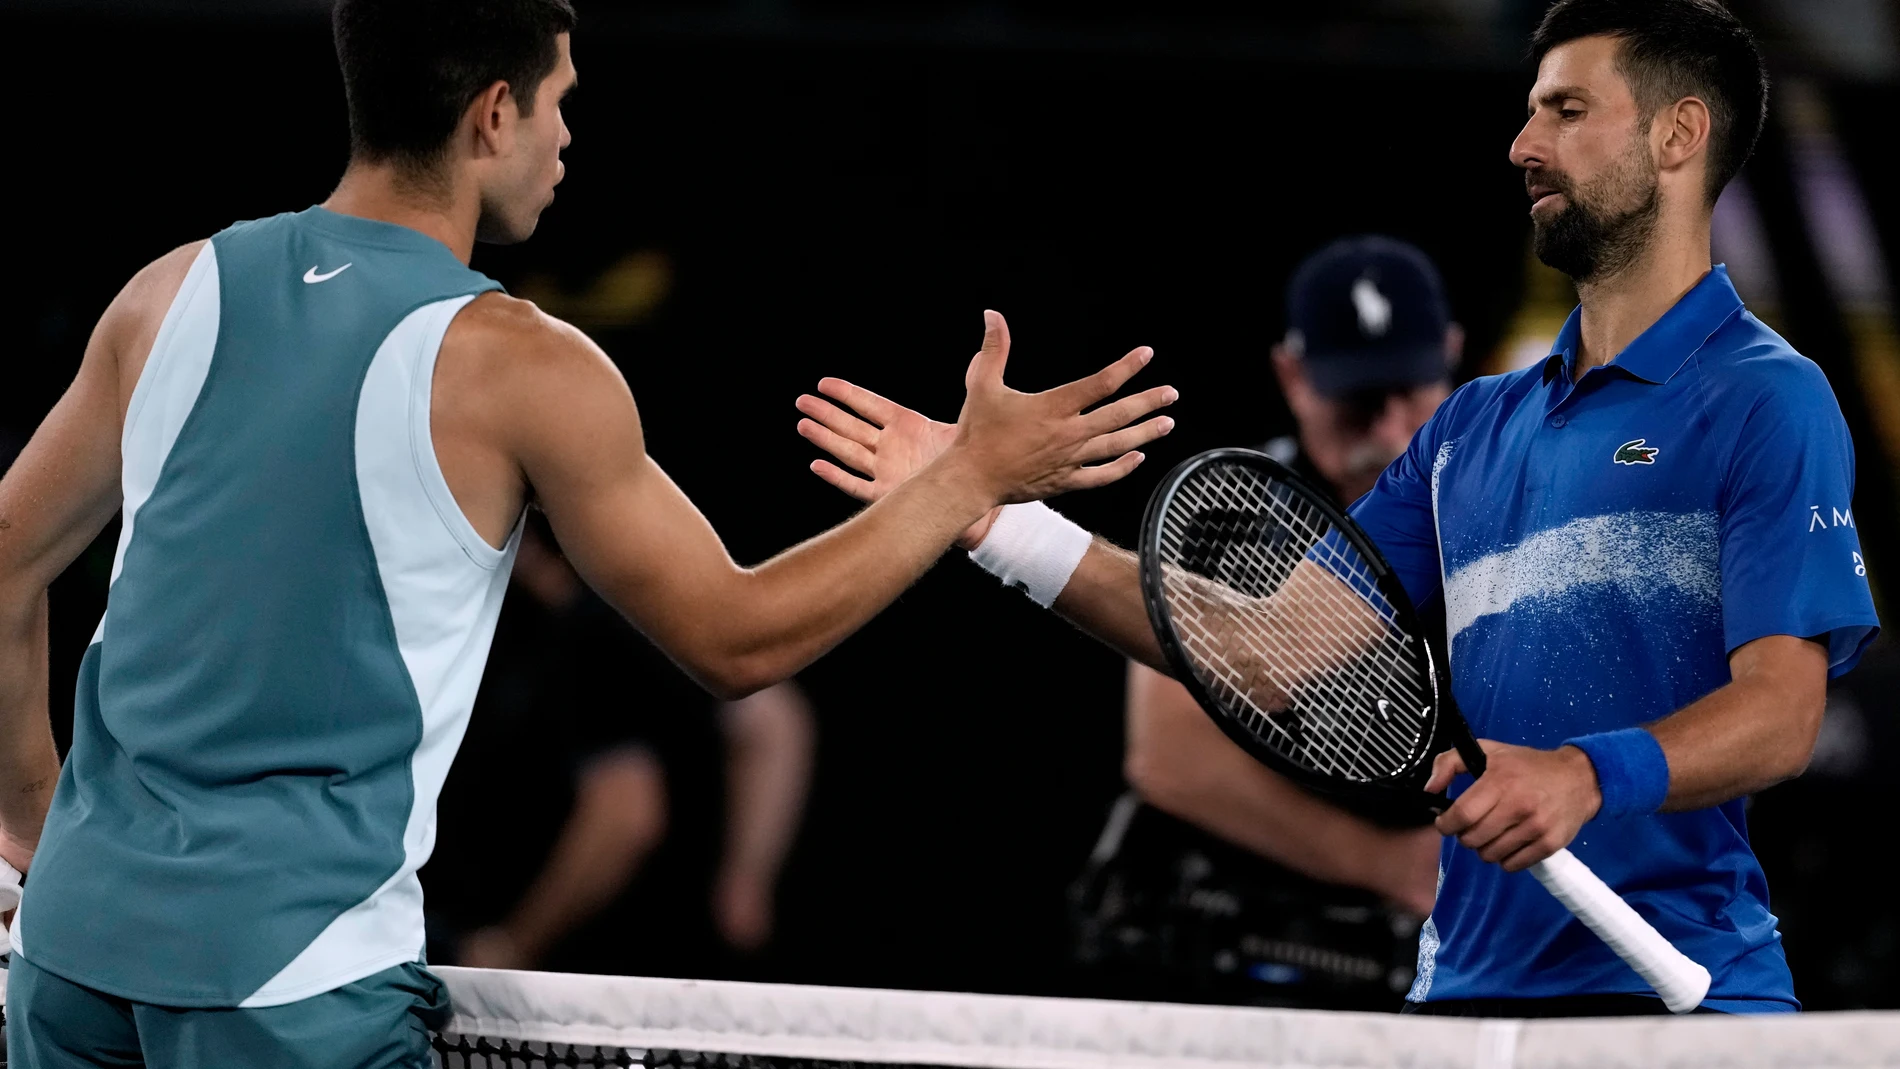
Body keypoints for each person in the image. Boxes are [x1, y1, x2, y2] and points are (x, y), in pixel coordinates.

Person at [0, 1, 1177, 1064]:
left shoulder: (168, 290)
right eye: (561, 104)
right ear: (495, 113)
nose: (567, 140)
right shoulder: (524, 366)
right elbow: (735, 639)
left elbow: (4, 559)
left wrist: (38, 827)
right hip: (286, 988)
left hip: (64, 962)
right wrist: (966, 476)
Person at [798, 0, 1877, 1016]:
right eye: (1528, 108)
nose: (1521, 144)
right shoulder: (1468, 431)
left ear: (1679, 135)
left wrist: (1589, 772)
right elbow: (1257, 651)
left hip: (1682, 994)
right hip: (1459, 1004)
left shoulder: (1765, 398)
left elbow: (1781, 713)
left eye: (1566, 109)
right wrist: (990, 520)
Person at [1073, 237, 1455, 1010]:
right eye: (1354, 397)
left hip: (1429, 981)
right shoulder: (1224, 515)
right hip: (1215, 968)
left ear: (1451, 355)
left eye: (1409, 391)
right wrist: (1392, 867)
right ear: (1291, 374)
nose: (1383, 429)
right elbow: (1169, 754)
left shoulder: (1510, 520)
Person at [425, 516, 814, 975]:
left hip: (582, 975)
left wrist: (511, 947)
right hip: (662, 967)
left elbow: (624, 815)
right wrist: (745, 885)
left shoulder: (582, 640)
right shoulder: (638, 621)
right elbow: (773, 721)